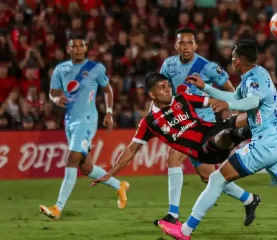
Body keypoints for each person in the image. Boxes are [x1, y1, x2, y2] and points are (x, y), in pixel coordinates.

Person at [158, 40, 277, 240]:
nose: (231, 60)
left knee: (216, 178)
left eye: (232, 57)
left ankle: (184, 231)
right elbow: (232, 96)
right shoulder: (254, 75)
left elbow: (252, 101)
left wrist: (228, 103)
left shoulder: (254, 80)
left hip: (265, 144)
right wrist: (206, 87)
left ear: (238, 61)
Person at [91, 72, 261, 225]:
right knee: (218, 141)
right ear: (152, 94)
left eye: (168, 86)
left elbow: (212, 101)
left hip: (210, 131)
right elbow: (131, 150)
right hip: (203, 149)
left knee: (237, 122)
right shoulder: (149, 123)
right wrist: (110, 173)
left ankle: (249, 198)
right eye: (162, 87)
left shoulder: (182, 99)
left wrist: (222, 103)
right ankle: (241, 134)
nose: (168, 89)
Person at [159, 27, 260, 225]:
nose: (186, 46)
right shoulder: (168, 65)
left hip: (202, 123)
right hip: (182, 122)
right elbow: (162, 89)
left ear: (195, 45)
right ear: (176, 45)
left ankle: (173, 215)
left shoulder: (207, 67)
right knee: (208, 176)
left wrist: (232, 108)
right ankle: (249, 199)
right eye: (182, 43)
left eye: (189, 43)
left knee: (173, 156)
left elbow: (229, 87)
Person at [39, 34, 129, 220]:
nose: (78, 49)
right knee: (86, 167)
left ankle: (58, 208)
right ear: (68, 49)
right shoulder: (60, 69)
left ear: (86, 48)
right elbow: (53, 92)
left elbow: (107, 89)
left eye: (81, 46)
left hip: (87, 119)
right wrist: (56, 98)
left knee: (72, 159)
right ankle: (119, 185)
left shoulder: (95, 68)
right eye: (74, 46)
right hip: (69, 120)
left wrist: (109, 112)